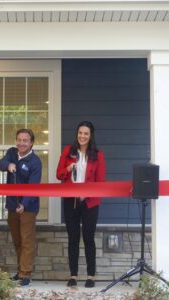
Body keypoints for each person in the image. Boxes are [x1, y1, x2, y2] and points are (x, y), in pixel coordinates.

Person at [56, 120, 106, 288]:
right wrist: (68, 169)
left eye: (86, 133)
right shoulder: (68, 151)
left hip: (90, 202)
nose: (82, 136)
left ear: (91, 136)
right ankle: (73, 276)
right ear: (76, 134)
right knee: (73, 238)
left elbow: (100, 182)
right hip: (71, 201)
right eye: (80, 133)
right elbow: (59, 174)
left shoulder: (98, 155)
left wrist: (89, 194)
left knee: (89, 238)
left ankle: (91, 276)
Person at [0, 128, 42, 287]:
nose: (21, 143)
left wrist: (24, 204)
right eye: (19, 140)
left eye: (25, 140)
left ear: (31, 143)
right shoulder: (11, 153)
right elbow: (0, 164)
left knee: (27, 240)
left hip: (28, 207)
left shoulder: (35, 162)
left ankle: (26, 274)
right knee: (17, 240)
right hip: (11, 205)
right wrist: (8, 164)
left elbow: (33, 187)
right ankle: (20, 270)